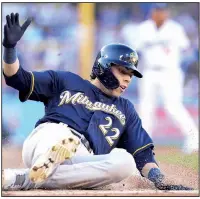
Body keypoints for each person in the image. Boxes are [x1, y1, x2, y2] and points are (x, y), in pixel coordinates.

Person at [2, 13, 192, 191]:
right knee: (61, 138)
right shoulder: (67, 80)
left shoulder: (126, 110)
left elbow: (143, 156)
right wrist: (9, 49)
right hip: (49, 136)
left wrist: (161, 181)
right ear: (104, 67)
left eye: (131, 74)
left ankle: (24, 177)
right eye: (123, 71)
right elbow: (18, 79)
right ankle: (38, 168)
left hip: (82, 159)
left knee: (125, 163)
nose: (128, 79)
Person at [133, 3, 198, 154]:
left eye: (162, 10)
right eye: (157, 10)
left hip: (170, 72)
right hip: (149, 71)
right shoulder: (143, 28)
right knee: (146, 107)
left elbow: (186, 48)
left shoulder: (175, 28)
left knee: (173, 106)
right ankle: (144, 143)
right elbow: (136, 50)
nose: (160, 13)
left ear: (167, 12)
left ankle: (194, 138)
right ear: (152, 12)